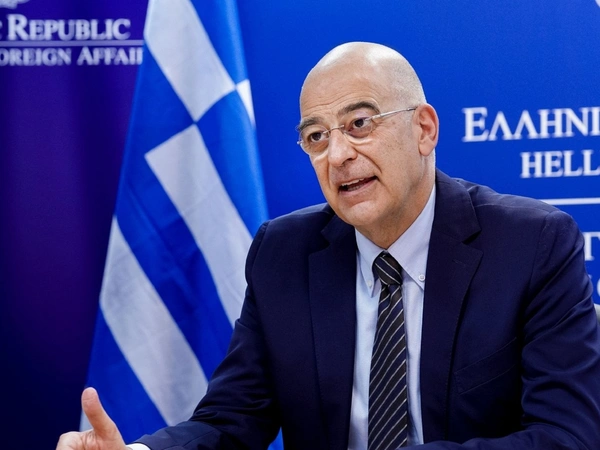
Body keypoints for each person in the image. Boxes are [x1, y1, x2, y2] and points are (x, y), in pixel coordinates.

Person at [57, 42, 600, 450]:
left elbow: (567, 435)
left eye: (359, 123)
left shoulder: (531, 244)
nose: (337, 155)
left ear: (424, 130)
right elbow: (232, 420)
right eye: (316, 136)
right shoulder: (283, 253)